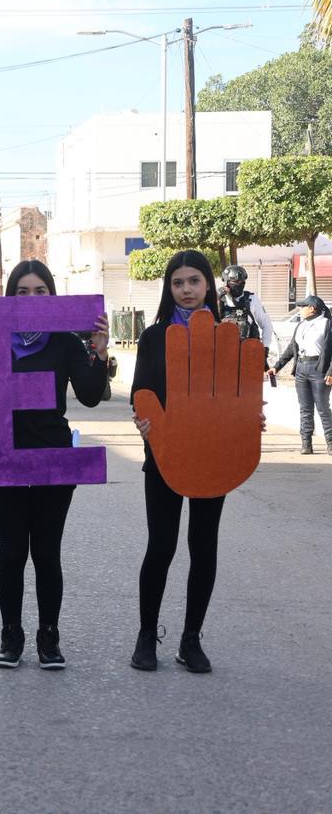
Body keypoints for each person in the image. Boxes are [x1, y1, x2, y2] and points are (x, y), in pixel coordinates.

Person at [0, 260, 110, 670]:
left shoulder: (65, 342)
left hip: (53, 460)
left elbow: (90, 396)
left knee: (46, 553)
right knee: (11, 554)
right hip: (2, 457)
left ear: (52, 296)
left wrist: (99, 352)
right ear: (9, 297)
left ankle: (49, 636)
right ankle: (11, 635)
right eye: (22, 292)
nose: (31, 299)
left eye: (40, 291)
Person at [129, 249, 262, 674]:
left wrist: (249, 418)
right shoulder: (154, 337)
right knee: (161, 547)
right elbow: (141, 392)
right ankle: (146, 636)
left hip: (214, 456)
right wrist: (144, 422)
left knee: (203, 549)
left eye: (194, 281)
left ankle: (191, 640)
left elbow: (240, 395)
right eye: (178, 283)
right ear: (168, 288)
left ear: (209, 285)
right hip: (164, 455)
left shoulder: (229, 335)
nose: (186, 290)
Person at [268, 295, 332, 455]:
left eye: (303, 306)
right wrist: (277, 367)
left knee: (323, 408)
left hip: (319, 369)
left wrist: (331, 371)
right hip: (301, 369)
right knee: (305, 408)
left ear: (312, 308)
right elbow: (292, 348)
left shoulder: (326, 324)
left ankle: (331, 443)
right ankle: (306, 443)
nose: (300, 309)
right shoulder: (301, 325)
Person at [218, 265, 273, 358]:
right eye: (235, 282)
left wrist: (265, 347)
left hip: (248, 353)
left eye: (242, 281)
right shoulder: (219, 299)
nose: (239, 284)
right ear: (226, 282)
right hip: (224, 354)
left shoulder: (252, 299)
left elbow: (266, 324)